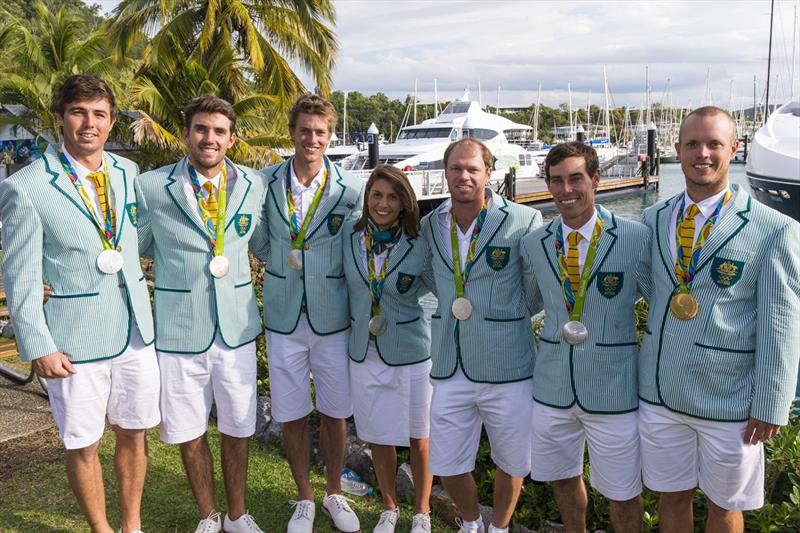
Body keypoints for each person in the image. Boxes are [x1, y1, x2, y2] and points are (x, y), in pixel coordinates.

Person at [0, 75, 159, 533]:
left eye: (99, 114)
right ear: (60, 117)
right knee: (83, 442)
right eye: (78, 112)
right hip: (73, 339)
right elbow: (22, 272)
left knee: (134, 431)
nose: (89, 123)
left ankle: (132, 524)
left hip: (134, 330)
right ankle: (101, 529)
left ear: (111, 122)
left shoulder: (127, 174)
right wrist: (38, 343)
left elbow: (134, 237)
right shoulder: (26, 187)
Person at [638, 106, 800, 532]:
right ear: (677, 151)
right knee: (671, 497)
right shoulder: (654, 218)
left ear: (734, 148)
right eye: (692, 144)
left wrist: (771, 401)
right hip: (660, 393)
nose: (702, 153)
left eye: (714, 144)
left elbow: (781, 324)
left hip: (728, 400)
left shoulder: (773, 228)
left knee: (725, 507)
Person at [136, 95, 268, 533]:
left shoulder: (254, 185)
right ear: (187, 133)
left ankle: (237, 514)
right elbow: (129, 246)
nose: (209, 138)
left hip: (236, 330)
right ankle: (208, 515)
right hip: (179, 330)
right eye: (201, 129)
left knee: (238, 427)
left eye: (218, 131)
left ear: (231, 138)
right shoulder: (152, 186)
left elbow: (268, 244)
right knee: (189, 431)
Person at [520, 142, 648, 533]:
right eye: (556, 180)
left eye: (576, 178)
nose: (566, 189)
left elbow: (661, 304)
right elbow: (529, 302)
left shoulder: (635, 237)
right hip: (553, 387)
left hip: (614, 389)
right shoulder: (534, 244)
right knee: (561, 478)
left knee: (623, 491)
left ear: (595, 179)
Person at [420, 138, 541, 533]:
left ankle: (500, 527)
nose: (464, 176)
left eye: (472, 168)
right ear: (446, 173)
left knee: (512, 461)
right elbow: (429, 279)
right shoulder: (430, 224)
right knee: (447, 462)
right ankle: (471, 524)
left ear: (489, 172)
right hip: (450, 362)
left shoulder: (524, 220)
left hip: (509, 366)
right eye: (456, 169)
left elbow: (535, 292)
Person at [259, 93, 364, 533]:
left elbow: (359, 248)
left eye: (320, 132)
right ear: (292, 132)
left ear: (330, 135)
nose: (312, 138)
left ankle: (334, 493)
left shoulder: (349, 189)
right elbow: (258, 239)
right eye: (305, 130)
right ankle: (304, 497)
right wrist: (284, 263)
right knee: (292, 412)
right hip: (284, 315)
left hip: (332, 317)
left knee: (336, 411)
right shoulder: (264, 182)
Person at [342, 165, 434, 533]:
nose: (383, 203)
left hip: (411, 351)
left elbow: (437, 284)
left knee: (419, 436)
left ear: (404, 203)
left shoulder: (420, 242)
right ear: (367, 199)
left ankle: (423, 512)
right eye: (377, 195)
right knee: (379, 435)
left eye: (392, 196)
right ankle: (389, 507)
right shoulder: (350, 238)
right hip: (365, 351)